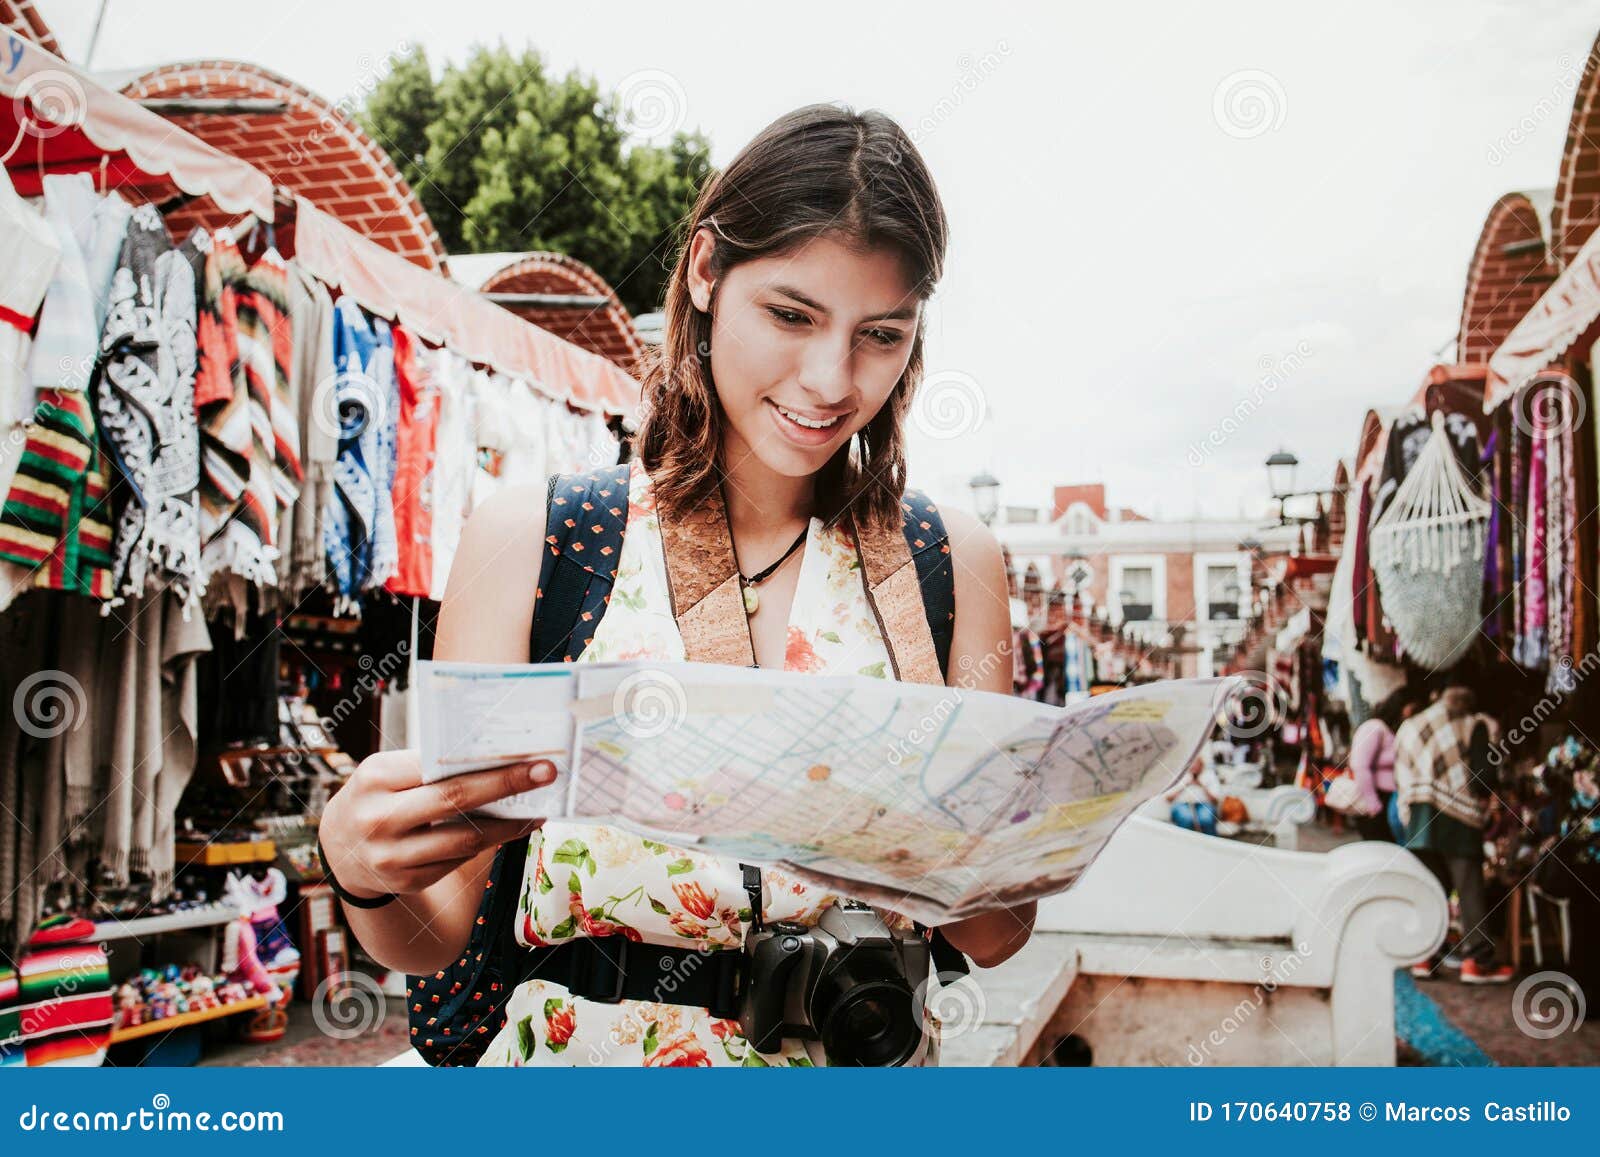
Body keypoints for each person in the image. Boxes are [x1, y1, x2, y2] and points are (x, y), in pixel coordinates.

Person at [316, 105, 1031, 1067]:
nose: (830, 379)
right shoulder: (542, 539)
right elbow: (433, 935)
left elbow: (993, 934)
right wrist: (361, 868)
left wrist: (1029, 839)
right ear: (704, 272)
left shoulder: (949, 561)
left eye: (881, 334)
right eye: (791, 314)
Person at [1393, 684, 1513, 984]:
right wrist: (1489, 802)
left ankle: (1424, 954)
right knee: (1468, 887)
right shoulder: (1475, 726)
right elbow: (1483, 777)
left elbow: (1401, 767)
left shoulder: (1412, 725)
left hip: (1419, 814)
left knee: (1432, 887)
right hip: (1458, 816)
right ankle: (1476, 962)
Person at [1347, 690, 1409, 842]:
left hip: (1388, 800)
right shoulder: (1374, 727)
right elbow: (1360, 766)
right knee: (1380, 849)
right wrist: (1373, 803)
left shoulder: (1391, 730)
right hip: (1377, 801)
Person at [1166, 756, 1223, 836]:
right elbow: (1168, 798)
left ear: (1202, 765)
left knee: (1206, 819)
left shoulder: (1209, 776)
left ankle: (1210, 845)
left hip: (1204, 805)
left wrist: (1202, 786)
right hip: (1182, 804)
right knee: (1186, 819)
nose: (1194, 766)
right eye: (1192, 764)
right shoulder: (1180, 775)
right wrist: (1185, 785)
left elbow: (1215, 800)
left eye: (1197, 764)